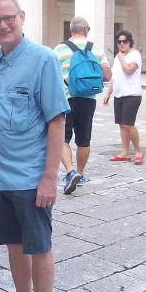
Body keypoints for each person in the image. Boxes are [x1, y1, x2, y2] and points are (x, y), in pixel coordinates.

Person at [0, 0, 70, 292]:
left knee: (39, 248)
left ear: (22, 16)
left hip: (30, 178)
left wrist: (50, 178)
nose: (2, 25)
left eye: (8, 18)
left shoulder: (42, 59)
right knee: (15, 248)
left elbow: (56, 121)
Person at [53, 17, 112, 194]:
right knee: (84, 139)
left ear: (71, 30)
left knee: (63, 138)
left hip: (66, 98)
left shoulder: (60, 49)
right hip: (89, 97)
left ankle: (70, 171)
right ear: (85, 29)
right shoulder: (96, 48)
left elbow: (53, 75)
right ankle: (80, 173)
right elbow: (108, 75)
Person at [103, 30, 144, 164]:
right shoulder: (117, 58)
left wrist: (121, 58)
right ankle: (125, 151)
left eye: (124, 41)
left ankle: (137, 151)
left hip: (131, 94)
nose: (122, 44)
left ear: (129, 41)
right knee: (121, 125)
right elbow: (115, 77)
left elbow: (129, 70)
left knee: (129, 124)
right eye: (119, 42)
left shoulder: (135, 55)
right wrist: (108, 93)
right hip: (119, 94)